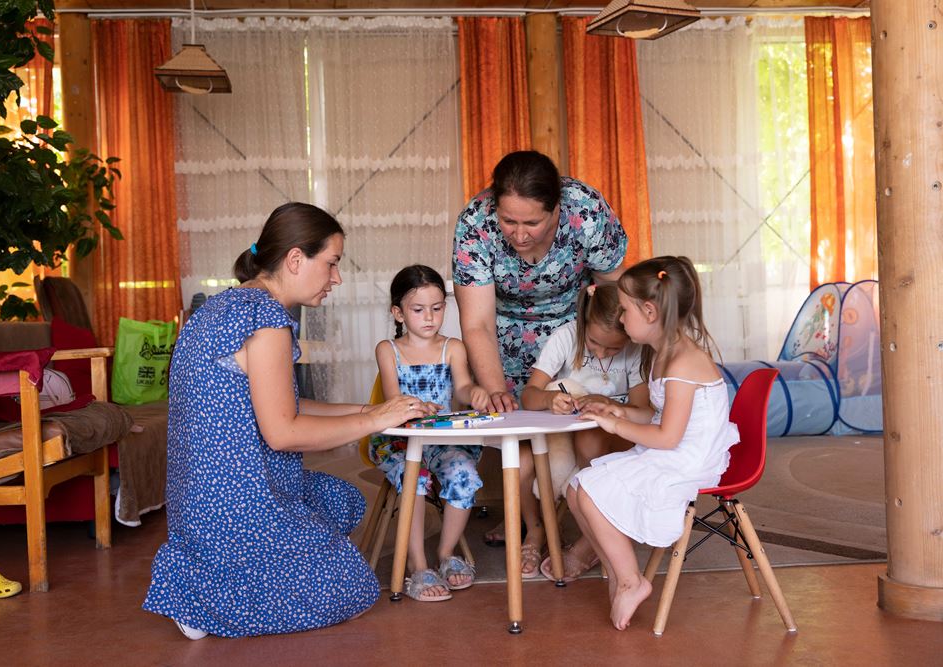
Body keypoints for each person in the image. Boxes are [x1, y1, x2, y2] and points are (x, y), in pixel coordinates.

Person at [143, 203, 434, 639]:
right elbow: (283, 433)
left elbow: (285, 402)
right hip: (240, 508)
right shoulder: (267, 320)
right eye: (332, 263)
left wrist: (372, 411)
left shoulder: (225, 305)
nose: (336, 278)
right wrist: (374, 421)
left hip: (200, 508)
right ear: (296, 259)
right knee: (355, 591)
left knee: (344, 501)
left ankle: (214, 576)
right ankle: (207, 596)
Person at [452, 149, 628, 551]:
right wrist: (496, 389)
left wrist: (608, 347)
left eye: (532, 222)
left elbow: (616, 294)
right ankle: (531, 523)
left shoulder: (585, 210)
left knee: (586, 425)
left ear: (556, 209)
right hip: (505, 334)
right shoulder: (475, 224)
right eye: (508, 220)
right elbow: (476, 323)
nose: (518, 233)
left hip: (580, 331)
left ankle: (590, 517)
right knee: (521, 432)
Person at [568, 256, 739, 631]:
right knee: (575, 487)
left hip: (689, 458)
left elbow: (668, 436)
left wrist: (613, 425)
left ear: (649, 310)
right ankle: (618, 572)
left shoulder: (682, 363)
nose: (621, 319)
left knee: (593, 492)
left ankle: (632, 580)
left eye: (626, 310)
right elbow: (659, 419)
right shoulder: (664, 354)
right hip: (673, 447)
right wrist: (616, 410)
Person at [369, 265, 490, 602]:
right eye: (418, 310)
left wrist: (474, 393)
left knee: (463, 473)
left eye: (437, 309)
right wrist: (415, 406)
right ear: (398, 312)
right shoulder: (388, 350)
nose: (429, 318)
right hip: (398, 442)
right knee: (416, 477)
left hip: (441, 439)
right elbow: (393, 398)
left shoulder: (452, 347)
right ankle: (417, 562)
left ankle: (447, 552)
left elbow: (463, 386)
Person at [518, 283, 648, 579]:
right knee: (522, 462)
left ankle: (591, 541)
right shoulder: (565, 337)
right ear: (583, 323)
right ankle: (536, 531)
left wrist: (605, 403)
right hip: (564, 442)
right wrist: (551, 398)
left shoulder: (636, 349)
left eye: (614, 348)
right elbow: (529, 396)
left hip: (612, 440)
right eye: (594, 342)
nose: (602, 354)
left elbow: (643, 410)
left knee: (590, 437)